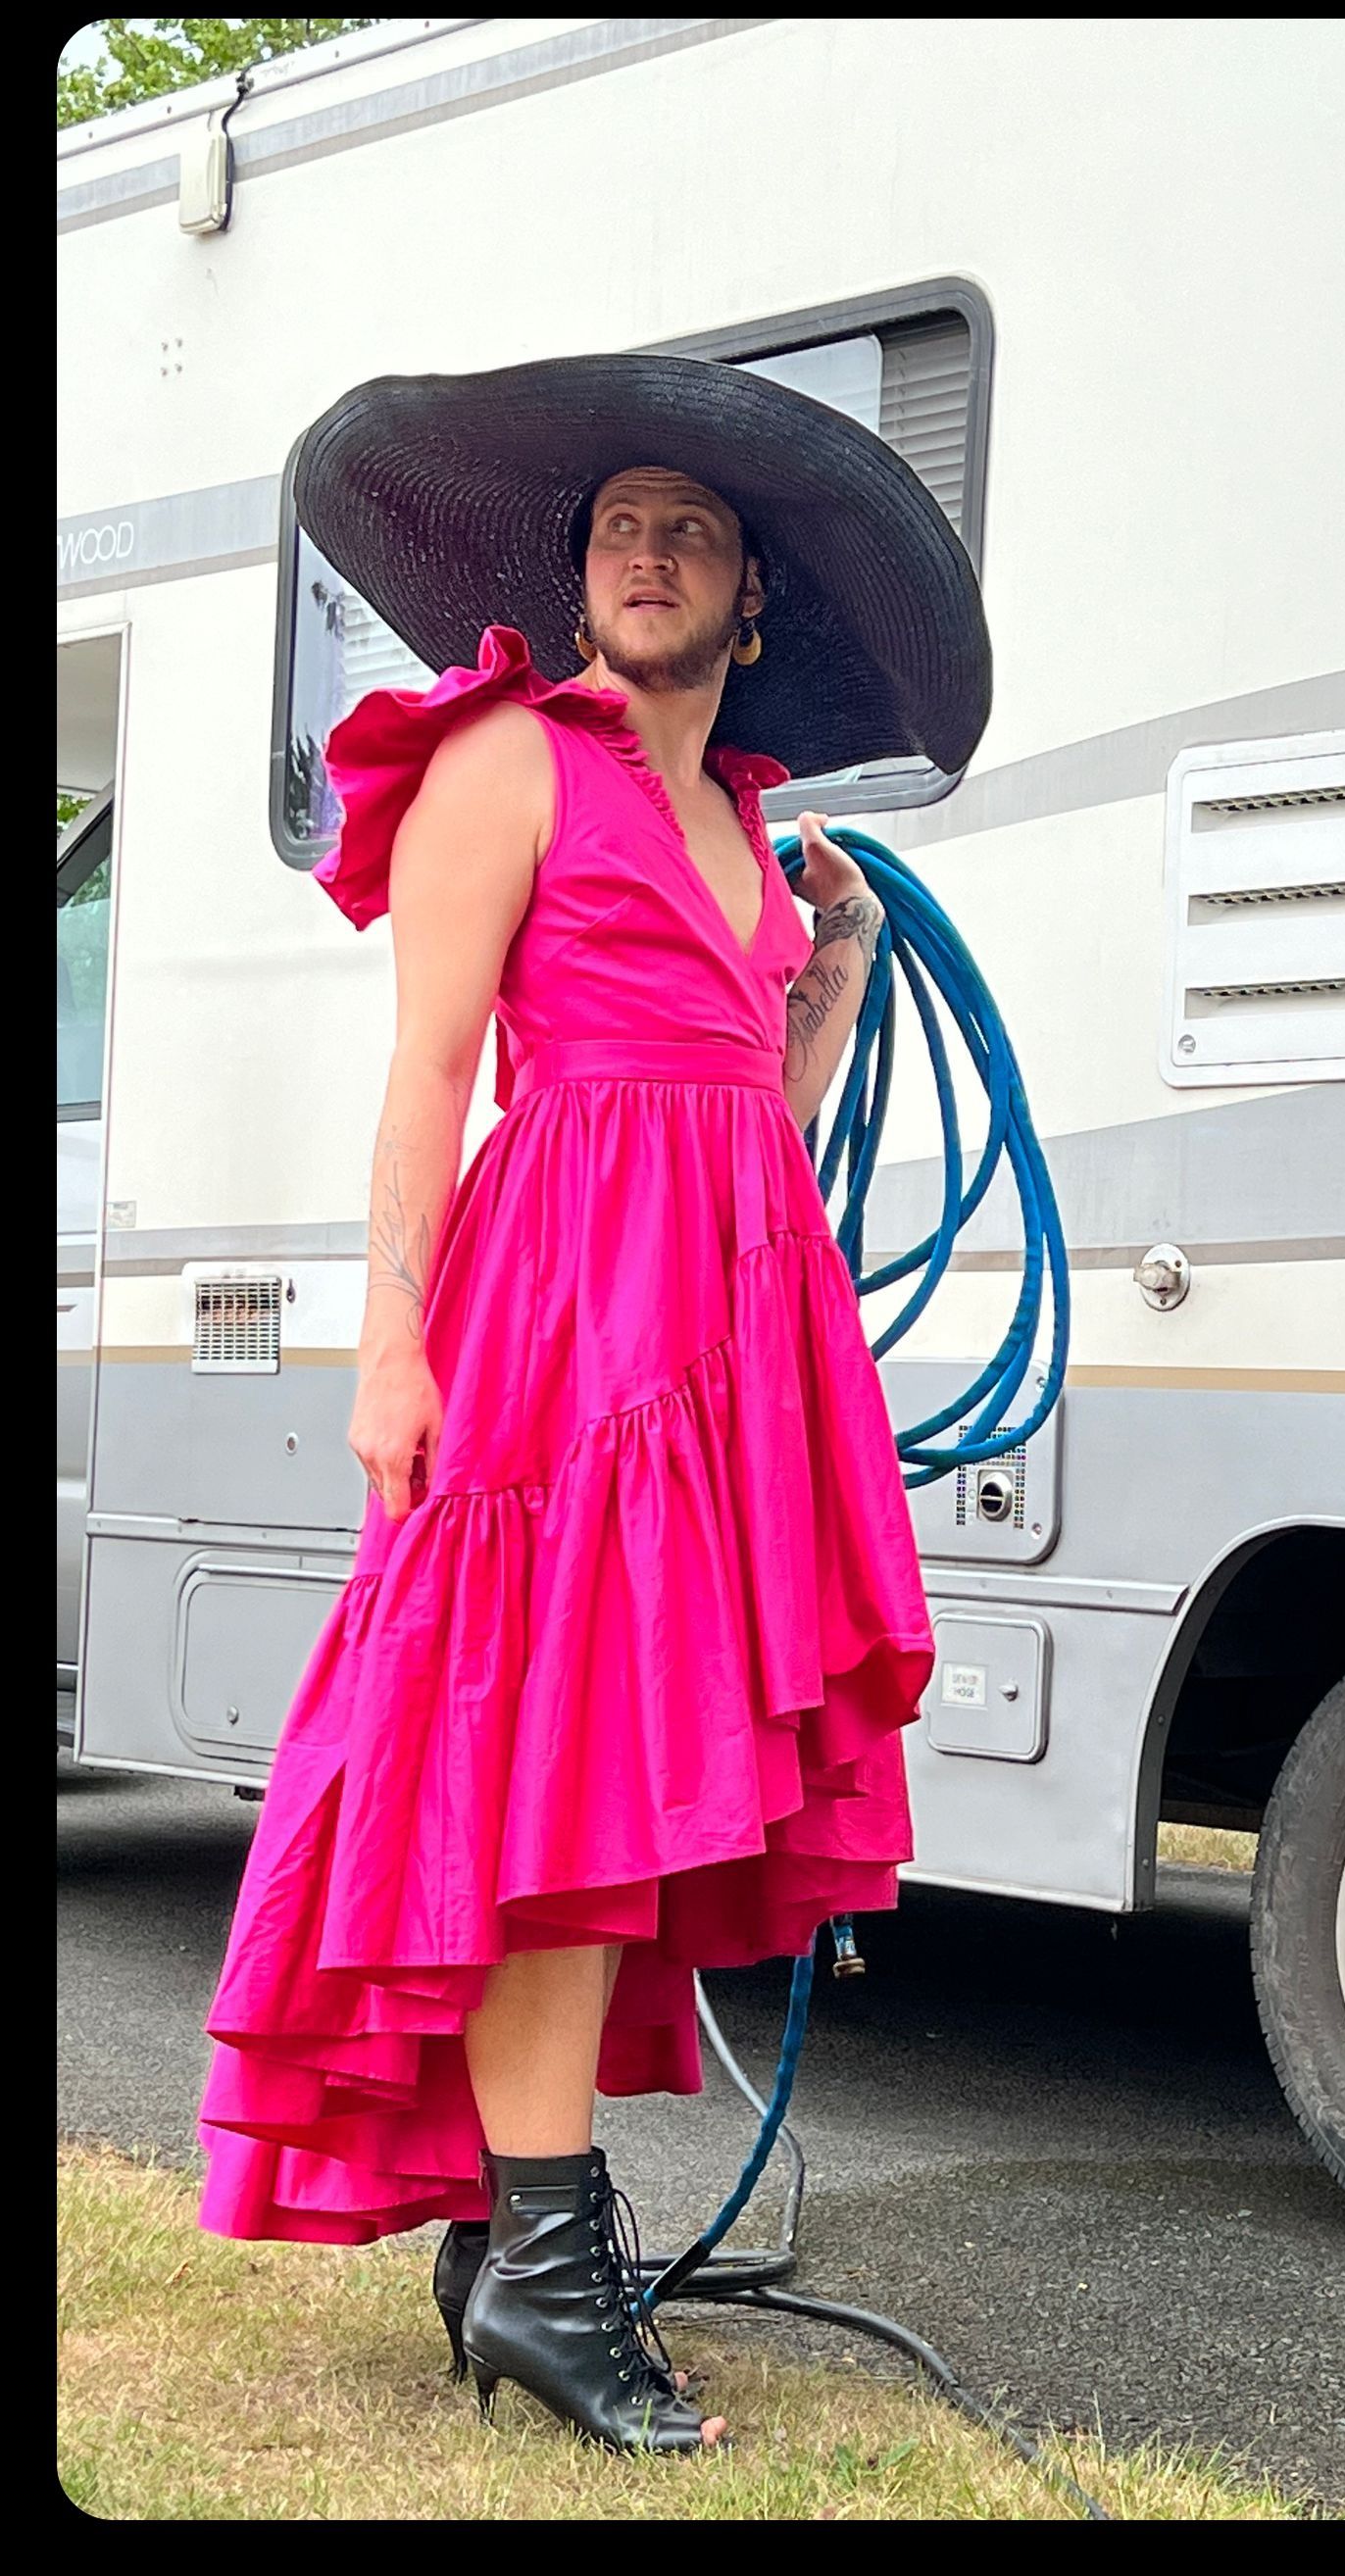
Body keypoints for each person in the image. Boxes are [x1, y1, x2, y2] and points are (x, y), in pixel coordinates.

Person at [196, 354, 990, 2455]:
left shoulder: (750, 827)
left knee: (619, 1788)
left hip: (727, 1340)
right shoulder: (505, 760)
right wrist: (390, 1339)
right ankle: (549, 2272)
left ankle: (507, 2233)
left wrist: (808, 999)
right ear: (580, 577)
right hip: (557, 1322)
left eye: (694, 534)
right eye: (624, 525)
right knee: (550, 1796)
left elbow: (748, 1117)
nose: (650, 554)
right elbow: (427, 1072)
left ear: (746, 606)